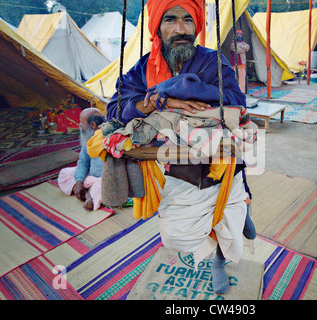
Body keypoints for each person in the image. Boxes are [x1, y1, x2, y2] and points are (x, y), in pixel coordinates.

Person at [106, 0, 256, 295]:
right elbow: (115, 106)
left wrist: (162, 96)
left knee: (230, 219)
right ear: (157, 27)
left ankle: (220, 258)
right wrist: (161, 100)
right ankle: (234, 212)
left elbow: (234, 102)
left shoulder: (213, 60)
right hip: (178, 165)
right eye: (171, 20)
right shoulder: (143, 68)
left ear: (197, 25)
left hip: (218, 160)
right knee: (177, 237)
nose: (180, 29)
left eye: (188, 20)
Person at [58, 108, 105, 211]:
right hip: (89, 176)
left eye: (81, 122)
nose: (79, 125)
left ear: (92, 125)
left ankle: (89, 195)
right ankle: (85, 190)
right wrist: (79, 181)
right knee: (64, 173)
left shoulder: (107, 136)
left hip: (104, 179)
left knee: (103, 186)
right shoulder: (88, 139)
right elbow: (83, 163)